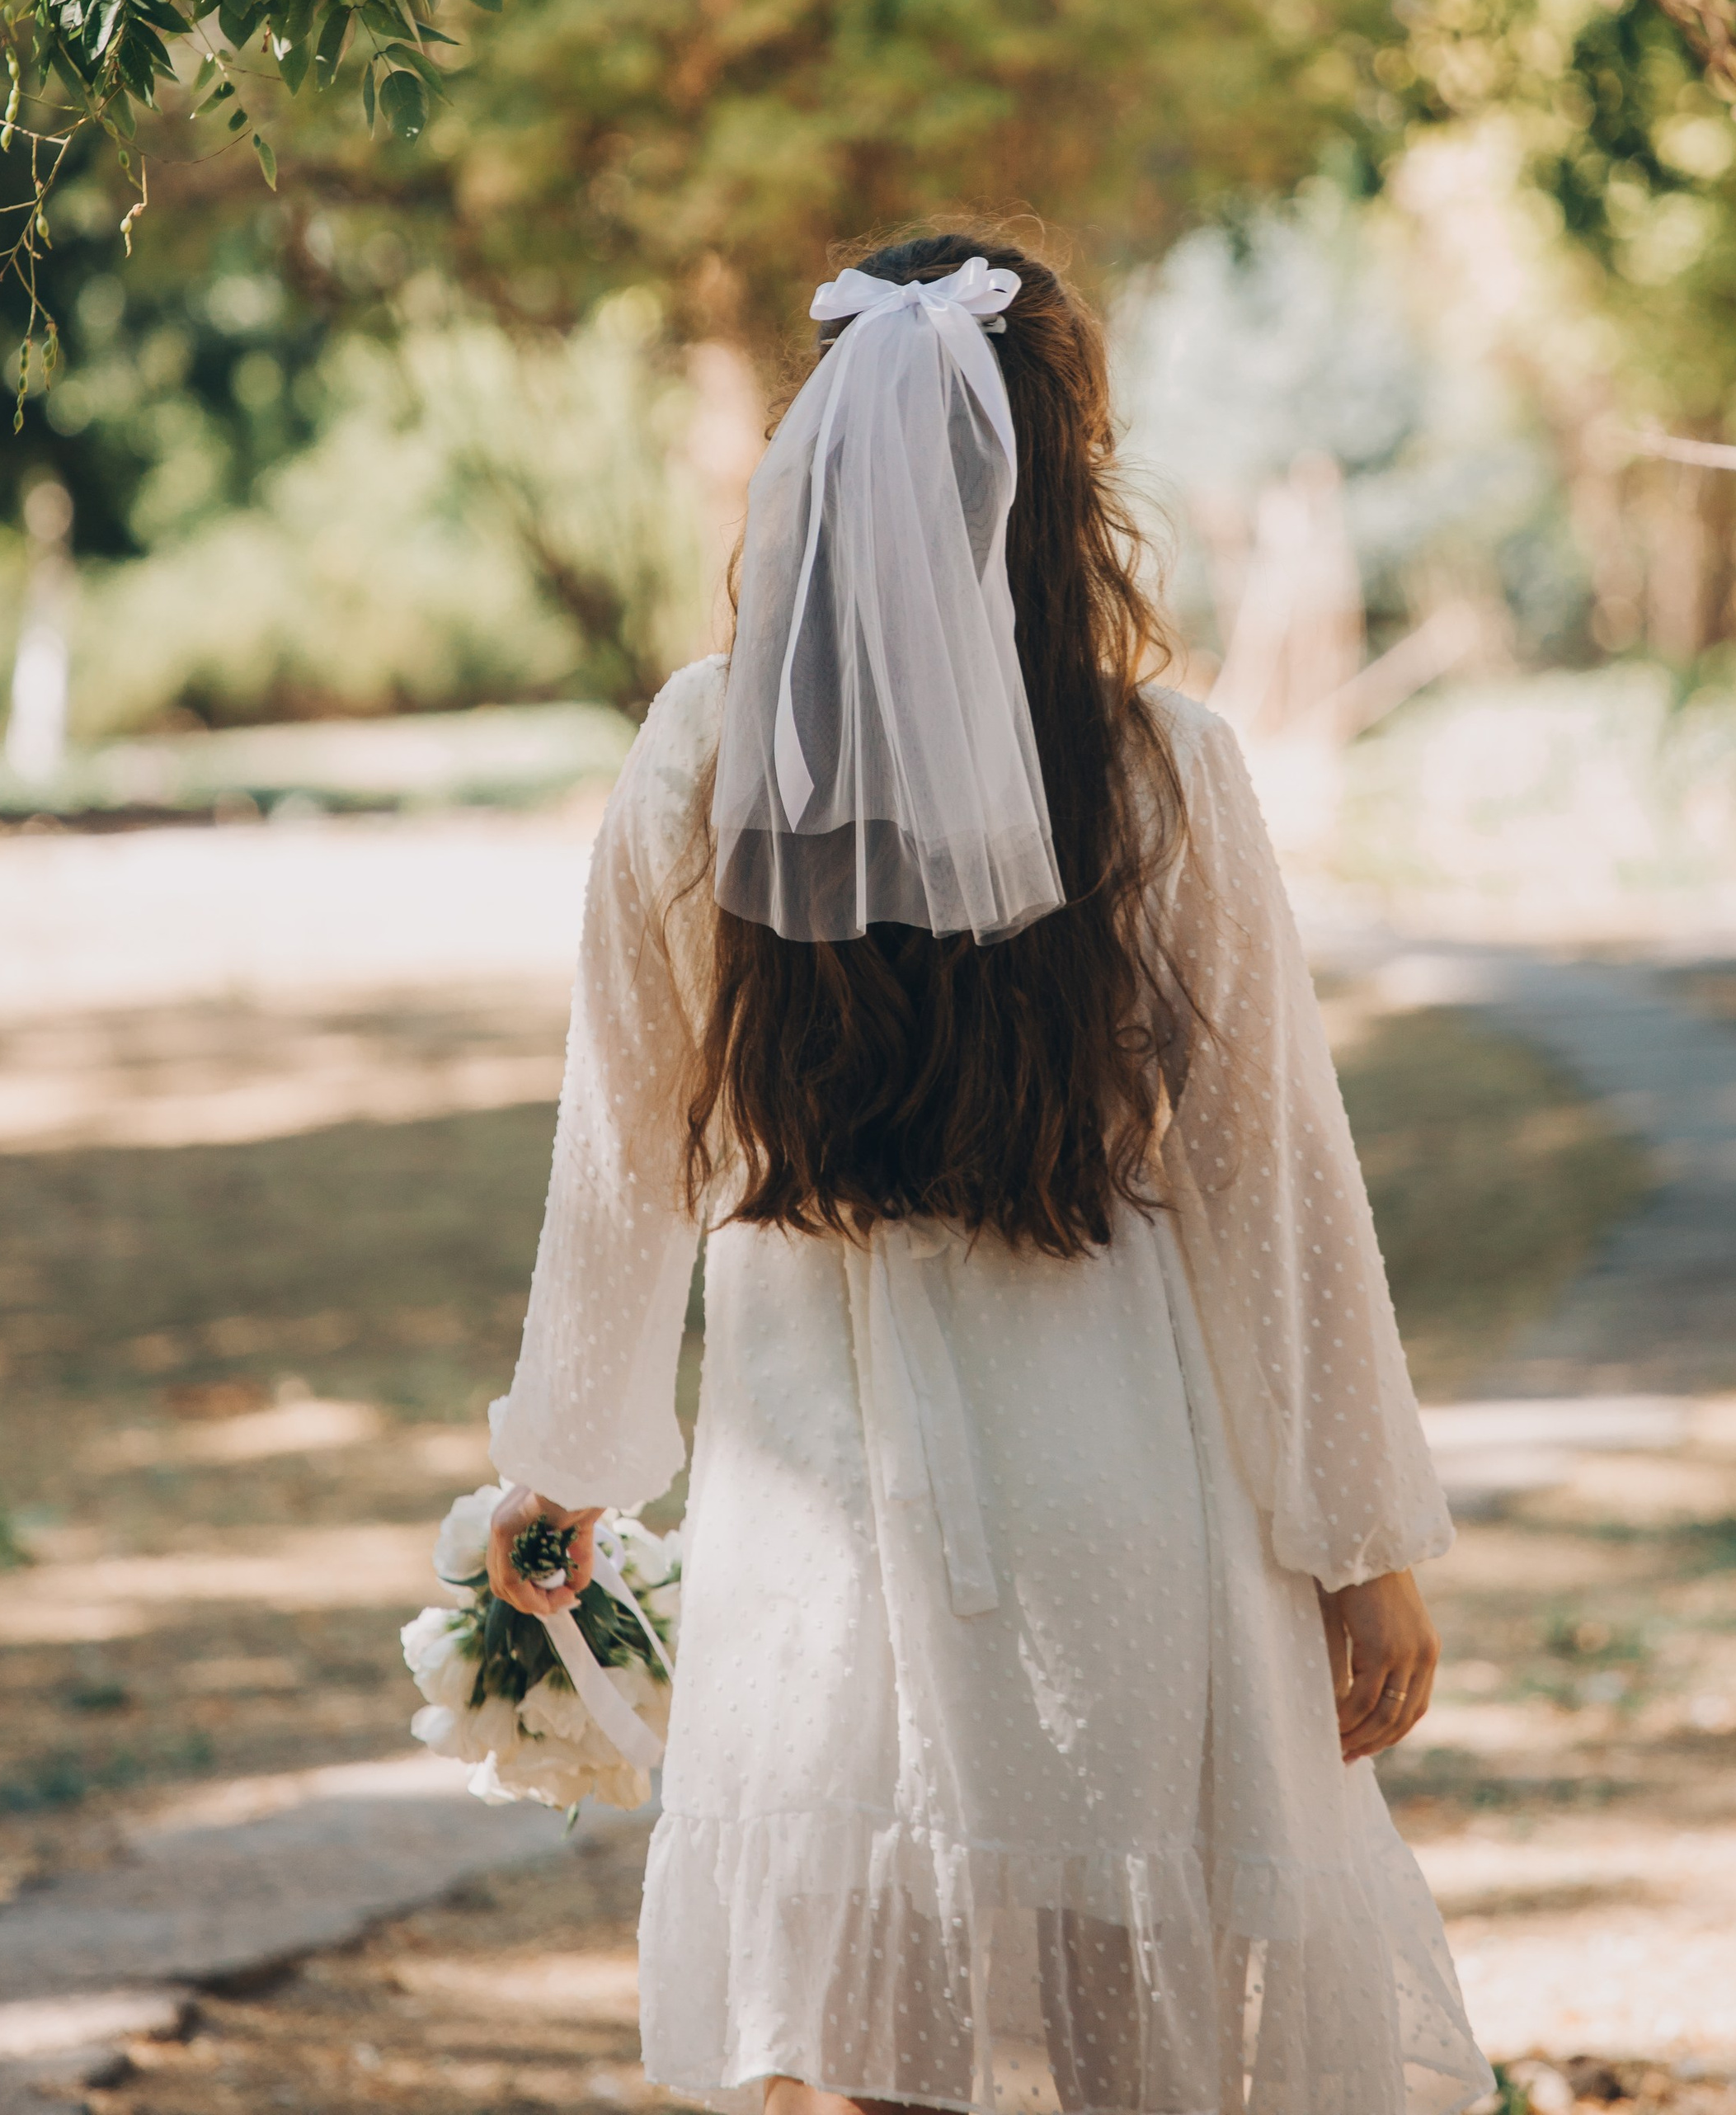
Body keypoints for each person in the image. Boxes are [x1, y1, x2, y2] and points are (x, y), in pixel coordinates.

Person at [483, 231, 1491, 2115]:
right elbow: (1273, 1177)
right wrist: (1357, 1546)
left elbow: (621, 1156)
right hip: (1117, 1480)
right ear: (1062, 485)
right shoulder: (1159, 771)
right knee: (1139, 2036)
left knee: (880, 2033)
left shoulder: (699, 761)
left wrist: (566, 1466)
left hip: (828, 1507)